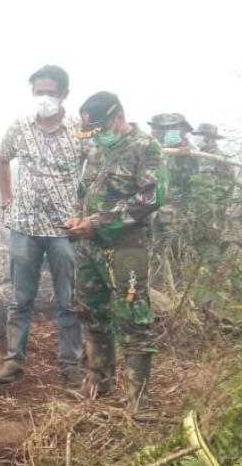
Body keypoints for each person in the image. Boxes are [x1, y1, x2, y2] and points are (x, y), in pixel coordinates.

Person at [65, 92, 167, 410]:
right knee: (92, 312)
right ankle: (99, 381)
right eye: (93, 130)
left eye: (102, 127)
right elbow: (87, 191)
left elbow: (151, 197)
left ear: (119, 116)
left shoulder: (145, 147)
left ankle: (139, 398)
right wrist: (79, 219)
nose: (98, 134)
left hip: (126, 247)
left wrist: (98, 222)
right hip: (90, 247)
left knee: (133, 316)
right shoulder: (97, 149)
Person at [0, 65, 86, 387]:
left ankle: (71, 362)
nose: (44, 98)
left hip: (65, 229)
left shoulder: (80, 129)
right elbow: (3, 159)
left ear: (64, 94)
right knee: (20, 299)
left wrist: (85, 215)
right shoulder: (19, 127)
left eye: (50, 92)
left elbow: (97, 169)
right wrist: (7, 198)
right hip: (25, 227)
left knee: (69, 300)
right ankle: (14, 360)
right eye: (39, 92)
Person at [148, 112, 199, 262]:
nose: (167, 132)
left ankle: (174, 282)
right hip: (149, 208)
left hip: (175, 211)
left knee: (174, 252)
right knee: (151, 250)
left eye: (172, 128)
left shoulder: (188, 151)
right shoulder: (151, 147)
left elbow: (192, 184)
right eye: (161, 129)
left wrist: (185, 154)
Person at [188, 123, 236, 262]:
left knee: (210, 246)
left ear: (210, 138)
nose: (197, 139)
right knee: (197, 245)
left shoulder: (216, 158)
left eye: (200, 136)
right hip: (200, 210)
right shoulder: (200, 155)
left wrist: (219, 211)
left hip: (212, 211)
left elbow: (225, 186)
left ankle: (212, 276)